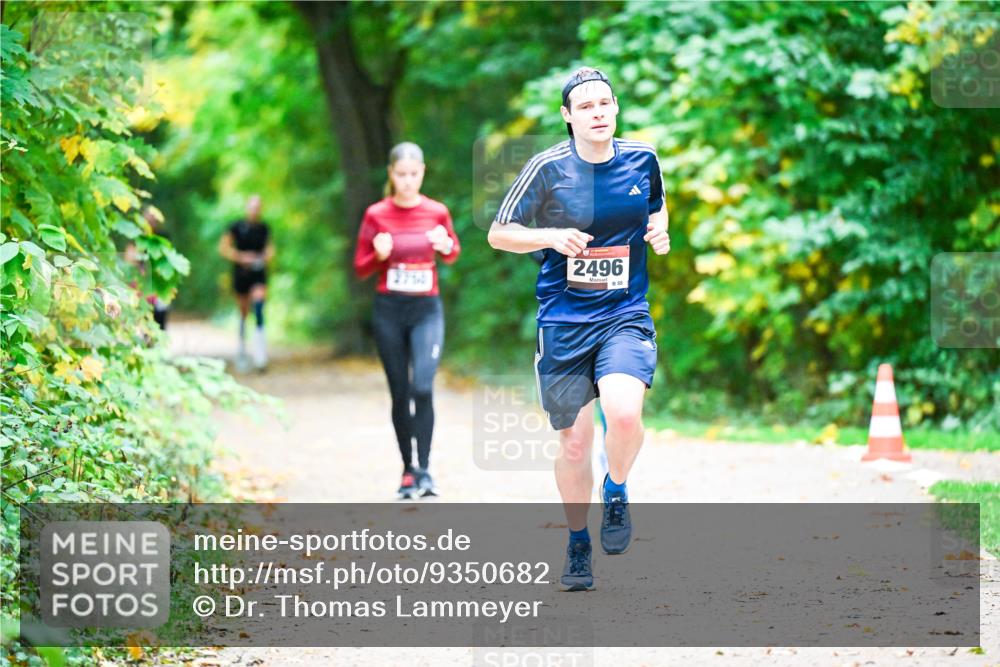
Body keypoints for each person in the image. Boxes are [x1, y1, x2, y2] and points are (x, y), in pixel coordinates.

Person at [487, 67, 671, 590]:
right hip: (564, 320)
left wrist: (661, 228)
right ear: (568, 117)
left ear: (616, 109)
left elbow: (657, 206)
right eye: (586, 106)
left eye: (606, 104)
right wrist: (550, 235)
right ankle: (576, 542)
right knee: (573, 442)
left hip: (623, 314)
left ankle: (615, 489)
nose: (598, 113)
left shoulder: (643, 158)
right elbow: (500, 234)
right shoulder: (547, 168)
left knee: (625, 414)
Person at [353, 142, 461, 500]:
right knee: (400, 392)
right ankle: (408, 471)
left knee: (423, 388)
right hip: (389, 311)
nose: (408, 181)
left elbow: (452, 253)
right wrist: (378, 254)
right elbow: (360, 267)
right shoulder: (376, 215)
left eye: (414, 174)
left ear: (423, 173)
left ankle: (427, 470)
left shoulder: (436, 211)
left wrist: (444, 245)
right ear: (391, 174)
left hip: (426, 311)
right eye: (401, 175)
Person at [218, 195, 274, 372]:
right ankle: (242, 350)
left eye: (257, 207)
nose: (254, 211)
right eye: (252, 207)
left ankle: (260, 354)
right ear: (247, 208)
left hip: (258, 272)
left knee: (258, 305)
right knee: (243, 311)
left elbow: (270, 249)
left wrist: (264, 257)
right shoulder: (236, 227)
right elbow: (224, 248)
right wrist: (241, 257)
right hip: (241, 272)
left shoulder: (264, 228)